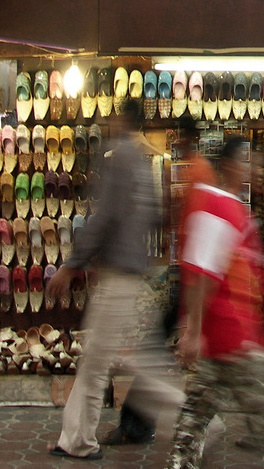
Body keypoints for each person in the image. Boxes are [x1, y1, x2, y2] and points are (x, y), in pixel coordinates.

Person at [46, 100, 184, 461]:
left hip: (119, 274)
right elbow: (154, 213)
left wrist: (71, 263)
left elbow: (104, 214)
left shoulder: (119, 157)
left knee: (108, 361)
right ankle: (73, 438)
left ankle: (198, 415)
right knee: (103, 359)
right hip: (128, 269)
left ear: (121, 119)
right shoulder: (139, 159)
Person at [167, 136, 264, 468]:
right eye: (252, 162)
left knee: (201, 404)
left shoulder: (231, 206)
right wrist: (193, 331)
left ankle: (182, 458)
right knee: (259, 407)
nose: (258, 169)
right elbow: (201, 274)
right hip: (227, 329)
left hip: (232, 329)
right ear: (234, 165)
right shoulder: (218, 206)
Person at [103, 113, 216, 447]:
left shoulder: (198, 173)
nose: (177, 143)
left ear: (186, 138)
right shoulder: (200, 172)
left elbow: (197, 226)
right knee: (164, 352)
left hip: (192, 275)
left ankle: (137, 425)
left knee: (153, 350)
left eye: (179, 137)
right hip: (190, 273)